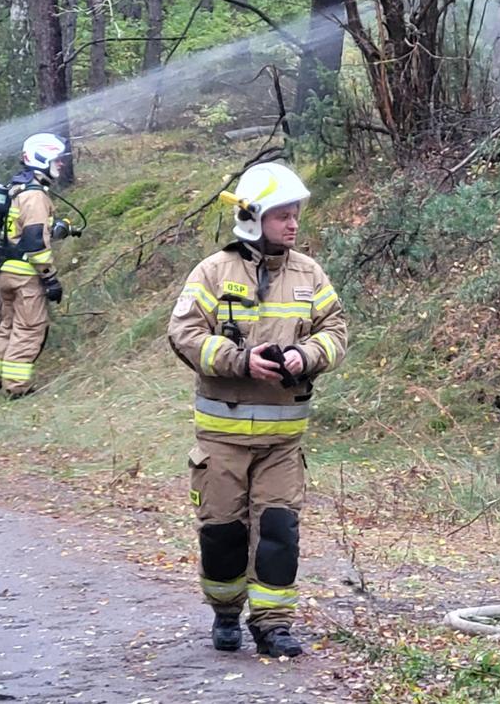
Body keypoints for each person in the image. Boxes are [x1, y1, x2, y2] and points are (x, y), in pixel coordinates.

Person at [167, 160, 347, 658]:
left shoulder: (310, 274)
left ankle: (273, 625)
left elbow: (336, 331)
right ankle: (226, 613)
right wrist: (240, 361)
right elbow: (183, 335)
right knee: (223, 534)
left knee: (278, 534)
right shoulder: (213, 271)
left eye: (296, 215)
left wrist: (306, 355)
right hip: (221, 440)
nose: (293, 224)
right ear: (252, 217)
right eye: (282, 215)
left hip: (282, 443)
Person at [0, 133, 71, 399]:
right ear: (42, 159)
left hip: (6, 273)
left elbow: (22, 231)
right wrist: (50, 278)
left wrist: (57, 228)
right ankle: (17, 388)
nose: (61, 165)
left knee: (9, 326)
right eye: (56, 160)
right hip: (26, 276)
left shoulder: (18, 190)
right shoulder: (35, 196)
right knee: (29, 329)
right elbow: (35, 243)